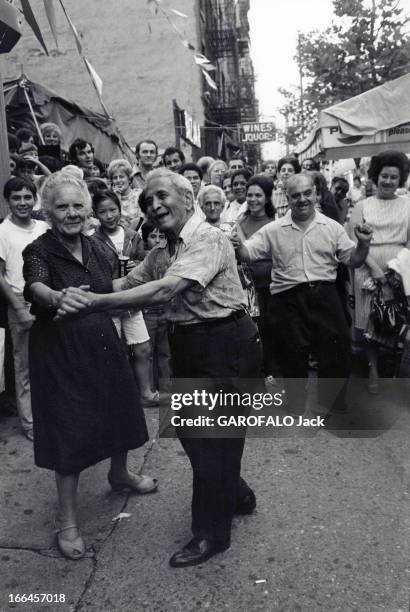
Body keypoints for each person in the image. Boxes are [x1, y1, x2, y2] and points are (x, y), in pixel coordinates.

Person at [57, 168, 262, 568]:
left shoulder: (208, 237)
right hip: (191, 345)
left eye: (162, 196)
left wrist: (93, 305)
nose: (154, 205)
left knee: (212, 439)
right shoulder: (160, 252)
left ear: (188, 199)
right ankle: (234, 491)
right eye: (148, 200)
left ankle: (211, 534)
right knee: (194, 432)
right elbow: (122, 285)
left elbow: (165, 289)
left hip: (226, 343)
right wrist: (70, 294)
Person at [22, 172, 156, 561]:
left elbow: (111, 286)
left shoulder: (98, 247)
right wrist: (55, 297)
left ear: (88, 209)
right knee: (69, 427)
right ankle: (68, 520)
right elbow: (36, 286)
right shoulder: (38, 250)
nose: (71, 213)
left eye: (77, 205)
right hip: (59, 351)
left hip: (101, 339)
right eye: (61, 206)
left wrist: (150, 277)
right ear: (48, 212)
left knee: (119, 408)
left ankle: (120, 474)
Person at [232, 173, 373, 415]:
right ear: (287, 198)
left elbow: (354, 260)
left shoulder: (332, 227)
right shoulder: (273, 229)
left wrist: (363, 244)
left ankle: (333, 404)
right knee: (291, 351)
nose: (302, 199)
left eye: (307, 193)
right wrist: (238, 245)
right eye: (295, 195)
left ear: (316, 194)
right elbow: (248, 254)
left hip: (325, 294)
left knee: (337, 350)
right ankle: (295, 403)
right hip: (287, 297)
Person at [348, 150, 410, 394]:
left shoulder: (408, 205)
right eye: (384, 176)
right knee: (370, 325)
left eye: (393, 178)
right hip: (367, 268)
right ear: (375, 176)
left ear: (400, 179)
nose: (387, 182)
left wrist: (395, 271)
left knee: (397, 322)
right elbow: (353, 243)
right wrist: (375, 270)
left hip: (400, 270)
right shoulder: (362, 206)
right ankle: (373, 370)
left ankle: (394, 370)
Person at [91, 190, 158, 406]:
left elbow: (144, 263)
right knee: (112, 349)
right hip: (108, 301)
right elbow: (92, 272)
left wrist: (136, 266)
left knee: (143, 347)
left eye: (113, 210)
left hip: (131, 299)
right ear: (95, 214)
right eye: (103, 212)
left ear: (120, 210)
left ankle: (145, 393)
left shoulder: (132, 235)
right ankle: (115, 396)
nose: (109, 216)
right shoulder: (92, 240)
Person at [0, 178, 48, 441]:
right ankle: (29, 423)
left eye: (27, 197)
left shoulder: (42, 227)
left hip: (47, 300)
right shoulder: (3, 231)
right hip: (21, 301)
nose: (22, 203)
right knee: (24, 366)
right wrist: (18, 308)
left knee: (50, 361)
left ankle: (50, 415)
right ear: (8, 200)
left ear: (34, 198)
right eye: (16, 198)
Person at [233, 175, 275, 381]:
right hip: (246, 287)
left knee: (270, 330)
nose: (253, 199)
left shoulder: (275, 224)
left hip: (270, 286)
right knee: (251, 332)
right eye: (250, 195)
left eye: (258, 195)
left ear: (267, 198)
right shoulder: (239, 224)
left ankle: (270, 372)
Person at [140, 220, 171, 392]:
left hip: (165, 310)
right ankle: (150, 389)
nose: (157, 240)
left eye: (161, 236)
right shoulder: (143, 259)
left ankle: (166, 389)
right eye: (153, 236)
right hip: (148, 311)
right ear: (145, 240)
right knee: (148, 351)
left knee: (165, 352)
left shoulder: (168, 255)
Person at [107, 159, 143, 231]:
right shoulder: (110, 199)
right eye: (115, 178)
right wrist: (117, 199)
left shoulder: (139, 194)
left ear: (129, 179)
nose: (118, 180)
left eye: (121, 177)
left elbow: (142, 220)